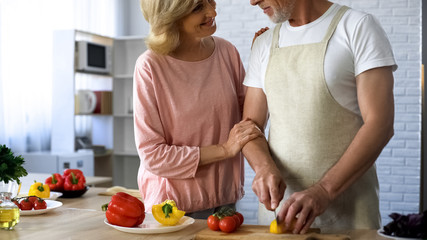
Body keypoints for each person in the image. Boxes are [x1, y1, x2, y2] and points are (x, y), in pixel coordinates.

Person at [242, 0, 397, 234]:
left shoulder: (357, 27)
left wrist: (324, 191)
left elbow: (380, 123)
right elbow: (250, 126)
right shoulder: (264, 44)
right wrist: (263, 167)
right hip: (279, 215)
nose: (253, 1)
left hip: (349, 216)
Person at [134, 0, 261, 218]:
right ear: (170, 16)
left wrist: (262, 61)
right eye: (197, 8)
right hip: (173, 208)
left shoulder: (226, 52)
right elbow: (153, 155)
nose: (213, 11)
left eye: (210, 1)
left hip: (225, 199)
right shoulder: (150, 66)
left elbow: (246, 120)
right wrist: (225, 149)